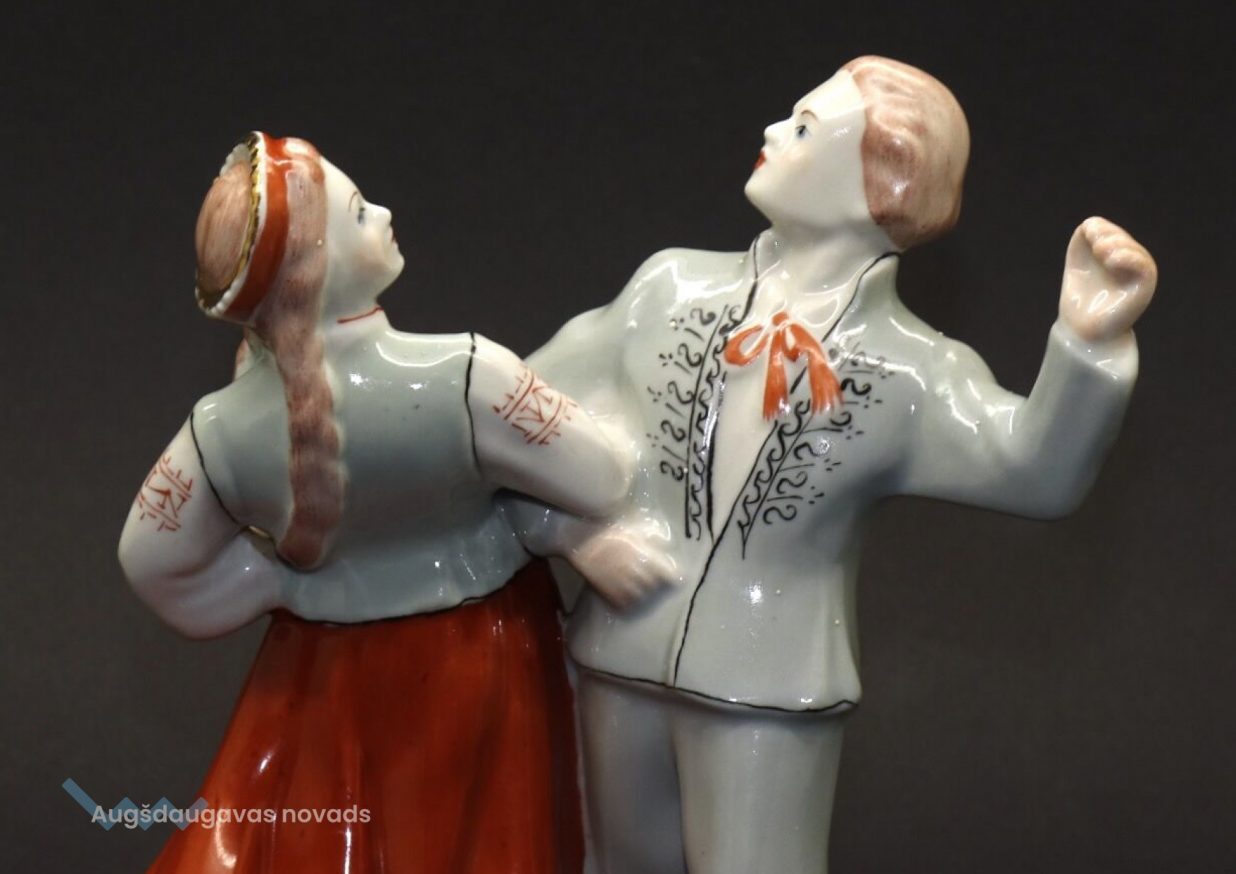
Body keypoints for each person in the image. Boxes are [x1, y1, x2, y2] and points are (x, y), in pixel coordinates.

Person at [509, 56, 1158, 874]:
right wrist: (574, 534)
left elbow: (1034, 470)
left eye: (806, 126)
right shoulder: (667, 291)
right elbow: (514, 412)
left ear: (883, 181)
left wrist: (1088, 347)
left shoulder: (909, 370)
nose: (773, 131)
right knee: (615, 860)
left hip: (770, 686)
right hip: (616, 652)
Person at [118, 132, 641, 874]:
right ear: (317, 266)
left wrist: (278, 583)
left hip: (319, 668)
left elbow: (150, 559)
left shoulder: (219, 427)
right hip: (479, 656)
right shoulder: (466, 375)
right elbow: (602, 477)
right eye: (361, 211)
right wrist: (535, 519)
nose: (386, 213)